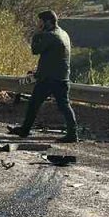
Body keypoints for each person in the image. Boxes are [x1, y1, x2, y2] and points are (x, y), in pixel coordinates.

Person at [9, 10, 78, 143]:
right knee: (64, 105)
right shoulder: (64, 33)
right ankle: (72, 133)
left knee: (35, 104)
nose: (38, 24)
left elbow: (35, 50)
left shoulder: (50, 35)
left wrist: (36, 34)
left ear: (47, 22)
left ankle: (25, 130)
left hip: (48, 78)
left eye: (40, 22)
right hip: (61, 77)